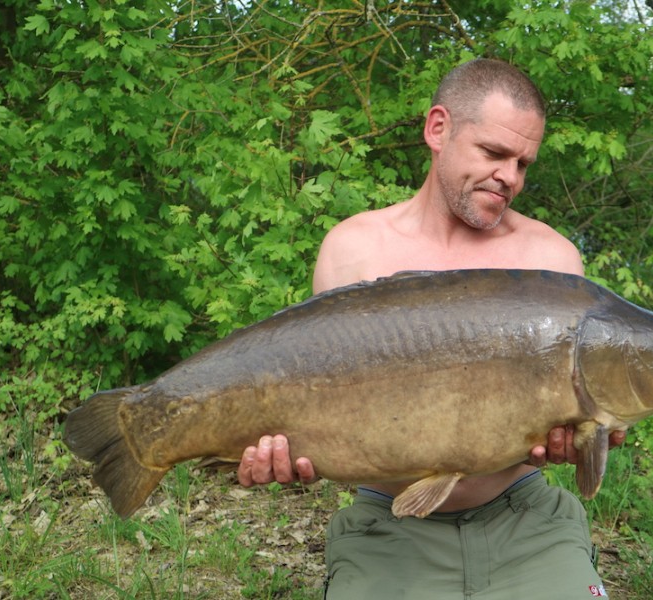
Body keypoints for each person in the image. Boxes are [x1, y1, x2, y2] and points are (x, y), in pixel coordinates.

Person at [238, 58, 621, 598]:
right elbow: (317, 403)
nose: (509, 177)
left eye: (523, 163)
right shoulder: (353, 249)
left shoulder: (550, 262)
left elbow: (579, 412)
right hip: (388, 525)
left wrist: (579, 438)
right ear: (438, 128)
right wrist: (282, 454)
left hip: (524, 519)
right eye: (493, 153)